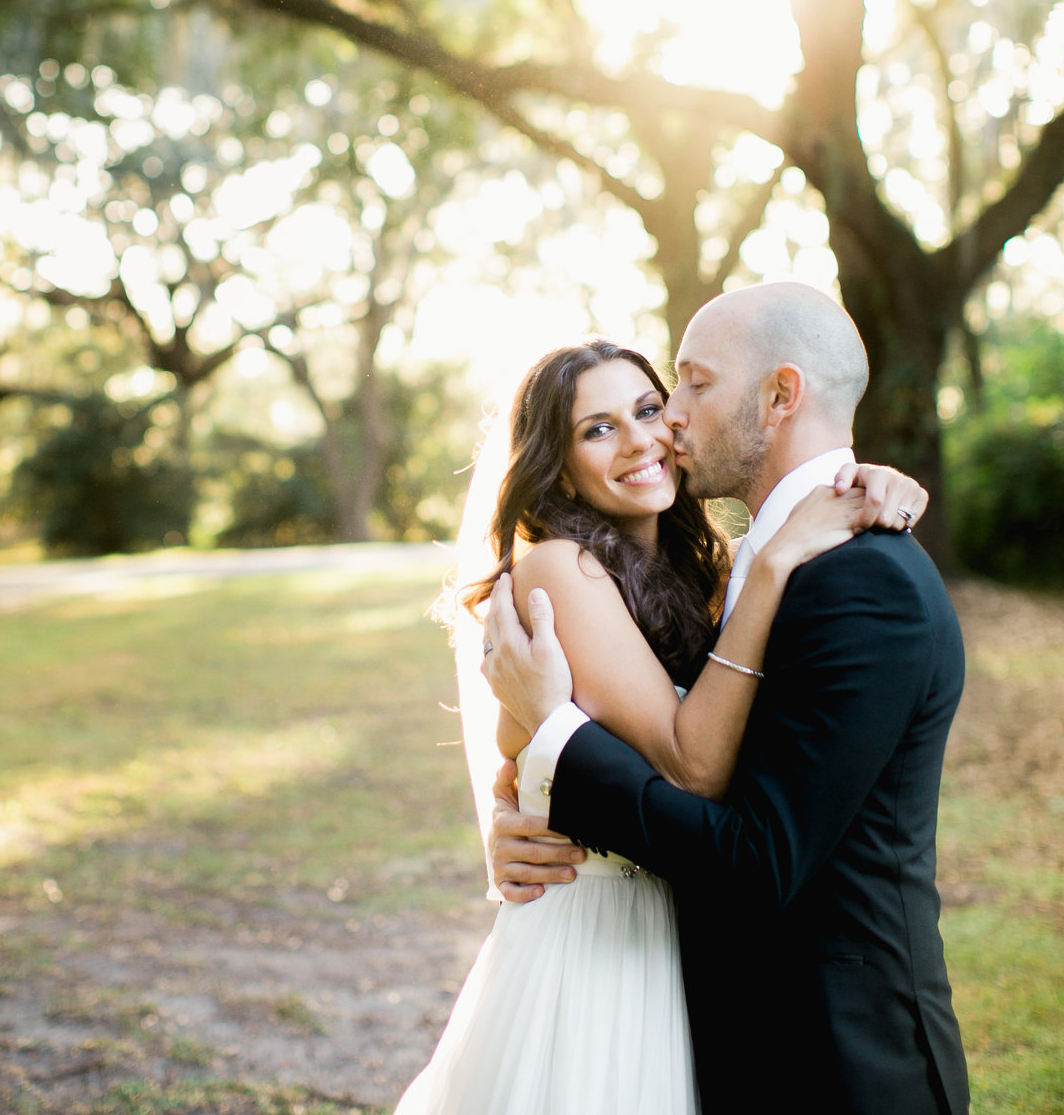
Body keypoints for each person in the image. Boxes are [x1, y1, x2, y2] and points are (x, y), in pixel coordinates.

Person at [396, 332, 929, 1115]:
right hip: (595, 945)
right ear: (557, 463)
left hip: (672, 937)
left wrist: (871, 480)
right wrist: (778, 564)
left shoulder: (698, 570)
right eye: (597, 428)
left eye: (648, 409)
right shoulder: (558, 568)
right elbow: (694, 765)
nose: (640, 439)